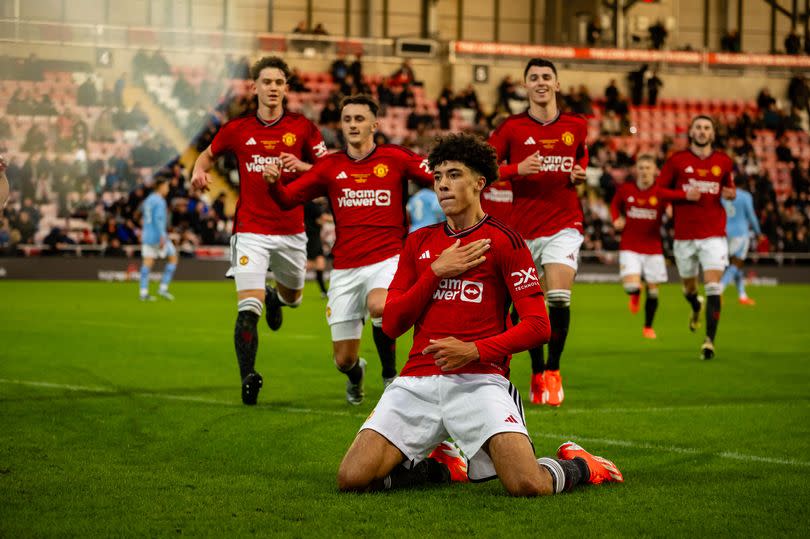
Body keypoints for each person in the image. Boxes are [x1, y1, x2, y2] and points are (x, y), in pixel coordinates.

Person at [336, 133, 623, 495]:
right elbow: (391, 324)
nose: (442, 185)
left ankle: (582, 464)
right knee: (352, 478)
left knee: (527, 484)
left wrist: (474, 350)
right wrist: (435, 272)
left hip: (479, 379)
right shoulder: (419, 243)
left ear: (479, 183)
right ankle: (441, 469)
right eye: (438, 176)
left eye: (454, 175)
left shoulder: (506, 241)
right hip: (416, 382)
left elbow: (538, 326)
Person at [263, 94, 433, 404]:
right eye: (347, 120)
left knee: (380, 306)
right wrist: (273, 184)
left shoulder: (396, 158)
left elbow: (438, 177)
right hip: (345, 267)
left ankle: (390, 376)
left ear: (374, 124)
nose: (353, 125)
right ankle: (357, 375)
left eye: (359, 119)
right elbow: (288, 199)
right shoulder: (329, 166)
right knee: (343, 360)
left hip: (388, 257)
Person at [191, 56, 327, 405]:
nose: (272, 88)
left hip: (292, 231)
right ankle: (248, 378)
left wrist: (302, 166)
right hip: (250, 229)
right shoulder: (237, 129)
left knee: (294, 299)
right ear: (254, 87)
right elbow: (205, 156)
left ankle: (277, 296)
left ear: (286, 88)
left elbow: (329, 172)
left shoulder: (303, 129)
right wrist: (197, 171)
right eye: (266, 82)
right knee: (247, 309)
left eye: (278, 82)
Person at [488, 58, 589, 407]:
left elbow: (582, 156)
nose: (541, 82)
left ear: (557, 84)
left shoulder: (577, 125)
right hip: (522, 228)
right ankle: (534, 369)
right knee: (528, 306)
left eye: (547, 76)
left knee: (559, 297)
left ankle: (553, 370)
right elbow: (485, 169)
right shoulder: (510, 128)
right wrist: (517, 168)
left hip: (565, 222)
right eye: (534, 78)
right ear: (525, 85)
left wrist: (580, 172)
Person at [657, 116, 736, 360]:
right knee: (689, 288)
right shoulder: (677, 160)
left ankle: (709, 342)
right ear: (691, 132)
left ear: (712, 134)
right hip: (684, 236)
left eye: (707, 128)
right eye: (698, 128)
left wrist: (730, 193)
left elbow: (729, 188)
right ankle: (695, 305)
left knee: (713, 285)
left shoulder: (724, 161)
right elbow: (659, 191)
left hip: (713, 234)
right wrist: (682, 194)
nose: (702, 132)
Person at [611, 155, 700, 339]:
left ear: (655, 171)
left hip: (653, 247)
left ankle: (648, 327)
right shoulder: (626, 189)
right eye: (641, 168)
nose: (644, 171)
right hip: (630, 245)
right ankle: (635, 293)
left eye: (648, 168)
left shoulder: (660, 192)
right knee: (630, 287)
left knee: (653, 290)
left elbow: (677, 198)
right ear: (636, 170)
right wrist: (616, 218)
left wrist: (671, 209)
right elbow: (614, 205)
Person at [721, 177, 762, 305]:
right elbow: (751, 216)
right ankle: (719, 289)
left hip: (724, 233)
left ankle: (742, 295)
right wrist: (758, 233)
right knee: (736, 264)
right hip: (741, 234)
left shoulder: (723, 196)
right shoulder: (745, 196)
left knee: (735, 265)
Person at [139, 178, 178, 302]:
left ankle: (143, 292)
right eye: (166, 186)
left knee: (147, 263)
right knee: (173, 258)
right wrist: (162, 236)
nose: (168, 189)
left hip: (147, 235)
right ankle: (163, 288)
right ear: (160, 187)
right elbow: (158, 220)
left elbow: (145, 217)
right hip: (158, 236)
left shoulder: (148, 200)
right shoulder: (160, 201)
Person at [304, 198, 330, 298]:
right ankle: (287, 282)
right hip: (311, 238)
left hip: (314, 237)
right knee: (309, 264)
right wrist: (335, 219)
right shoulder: (312, 206)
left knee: (320, 263)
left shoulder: (308, 205)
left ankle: (324, 291)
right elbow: (320, 220)